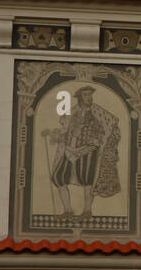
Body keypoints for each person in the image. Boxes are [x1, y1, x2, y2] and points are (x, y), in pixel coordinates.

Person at [47, 85, 120, 217]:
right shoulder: (72, 111)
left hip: (89, 150)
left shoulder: (97, 111)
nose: (89, 98)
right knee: (58, 177)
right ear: (80, 97)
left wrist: (100, 140)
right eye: (86, 95)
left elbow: (111, 123)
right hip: (69, 150)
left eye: (90, 95)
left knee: (88, 179)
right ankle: (68, 210)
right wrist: (57, 137)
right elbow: (65, 128)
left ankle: (87, 210)